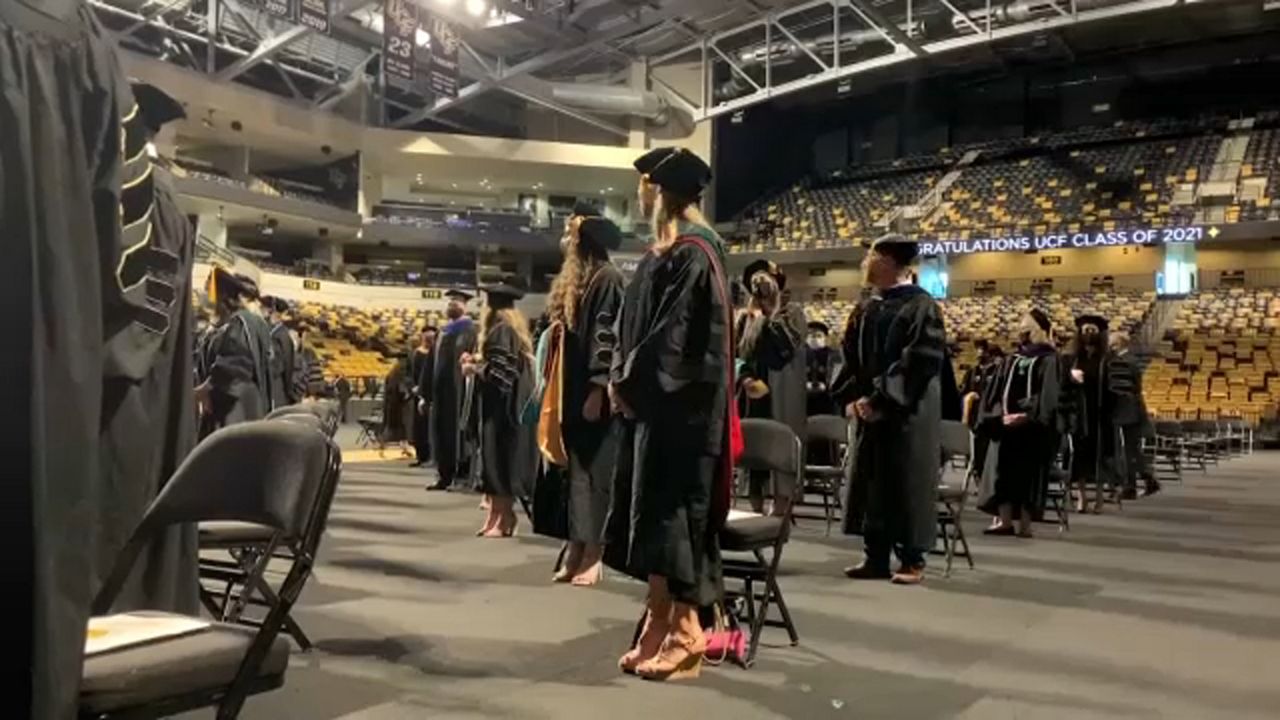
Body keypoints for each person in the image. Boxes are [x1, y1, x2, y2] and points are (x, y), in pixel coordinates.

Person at [607, 146, 733, 681]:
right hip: (660, 408)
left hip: (681, 410)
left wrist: (629, 383)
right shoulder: (672, 249)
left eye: (644, 185)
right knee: (655, 517)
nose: (639, 194)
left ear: (659, 191)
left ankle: (688, 636)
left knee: (674, 516)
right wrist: (621, 377)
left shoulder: (693, 251)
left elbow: (672, 339)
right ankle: (657, 625)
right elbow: (634, 328)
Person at [832, 234, 945, 586]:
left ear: (891, 262)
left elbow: (921, 360)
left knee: (906, 481)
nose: (866, 262)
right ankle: (875, 556)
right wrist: (851, 397)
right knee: (873, 480)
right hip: (870, 410)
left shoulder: (922, 307)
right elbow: (847, 356)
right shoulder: (867, 306)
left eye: (873, 255)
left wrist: (880, 398)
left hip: (906, 411)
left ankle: (912, 558)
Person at [534, 213, 625, 585]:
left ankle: (594, 552)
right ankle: (574, 543)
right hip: (568, 389)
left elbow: (609, 337)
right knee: (573, 473)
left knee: (596, 474)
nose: (566, 244)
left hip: (591, 392)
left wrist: (597, 387)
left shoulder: (609, 280)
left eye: (571, 239)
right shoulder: (579, 283)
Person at [975, 309, 1063, 538]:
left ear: (1042, 331)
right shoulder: (1011, 360)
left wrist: (1028, 416)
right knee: (1003, 472)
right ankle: (1004, 522)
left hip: (1033, 430)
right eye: (1022, 328)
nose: (1023, 331)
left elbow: (1049, 396)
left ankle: (1025, 525)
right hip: (1007, 429)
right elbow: (995, 393)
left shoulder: (1050, 360)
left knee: (1028, 476)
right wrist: (999, 417)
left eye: (1029, 328)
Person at [461, 284, 537, 537]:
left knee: (500, 462)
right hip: (499, 407)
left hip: (503, 410)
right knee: (493, 462)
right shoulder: (506, 330)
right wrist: (478, 362)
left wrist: (475, 370)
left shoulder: (501, 330)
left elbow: (501, 376)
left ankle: (505, 518)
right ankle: (496, 516)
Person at [737, 259, 807, 517]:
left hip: (782, 392)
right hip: (753, 394)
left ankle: (780, 512)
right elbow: (735, 355)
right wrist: (744, 378)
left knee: (781, 449)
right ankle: (755, 510)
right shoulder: (744, 318)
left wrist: (769, 314)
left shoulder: (792, 313)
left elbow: (786, 348)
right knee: (753, 451)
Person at [1064, 315, 1132, 513]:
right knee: (1079, 457)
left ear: (1100, 334)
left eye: (1092, 331)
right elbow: (1061, 385)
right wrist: (1070, 378)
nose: (1088, 334)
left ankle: (1100, 498)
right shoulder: (1072, 359)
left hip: (1102, 417)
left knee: (1100, 457)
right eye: (1085, 331)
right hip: (1078, 416)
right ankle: (1082, 497)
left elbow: (1121, 390)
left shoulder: (1110, 360)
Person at [195, 268, 273, 438]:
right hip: (237, 401)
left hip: (234, 406)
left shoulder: (241, 322)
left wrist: (207, 389)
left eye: (208, 291)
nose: (205, 296)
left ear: (222, 297)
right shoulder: (240, 322)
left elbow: (235, 363)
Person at [429, 290, 479, 491]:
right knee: (441, 432)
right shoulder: (443, 330)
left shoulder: (470, 330)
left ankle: (460, 475)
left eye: (456, 301)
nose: (451, 304)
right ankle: (444, 475)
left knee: (458, 432)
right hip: (441, 392)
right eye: (450, 301)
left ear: (465, 306)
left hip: (459, 390)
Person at [1111, 332, 1160, 498]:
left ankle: (1131, 486)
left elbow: (1128, 387)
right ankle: (1145, 481)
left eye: (1112, 344)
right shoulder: (1131, 360)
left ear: (1119, 344)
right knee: (1131, 450)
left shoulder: (1124, 362)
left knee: (1128, 450)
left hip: (1127, 410)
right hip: (1132, 409)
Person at [264, 297, 299, 409]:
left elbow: (288, 365)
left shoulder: (283, 336)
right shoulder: (267, 330)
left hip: (277, 384)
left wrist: (288, 390)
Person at [410, 326, 438, 467]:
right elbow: (412, 374)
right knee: (420, 427)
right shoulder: (416, 354)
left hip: (432, 394)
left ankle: (432, 456)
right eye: (427, 338)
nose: (429, 340)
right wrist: (415, 388)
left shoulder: (437, 354)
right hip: (419, 393)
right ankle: (421, 456)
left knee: (431, 426)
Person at [380, 354, 413, 458]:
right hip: (396, 406)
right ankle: (382, 447)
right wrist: (407, 395)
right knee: (394, 429)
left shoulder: (391, 375)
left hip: (392, 405)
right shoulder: (398, 377)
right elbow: (401, 390)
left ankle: (404, 448)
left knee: (398, 430)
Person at [806, 321, 840, 417]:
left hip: (827, 401)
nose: (814, 338)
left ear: (825, 338)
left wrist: (828, 386)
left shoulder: (834, 356)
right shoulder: (800, 356)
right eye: (811, 335)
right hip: (804, 401)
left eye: (818, 335)